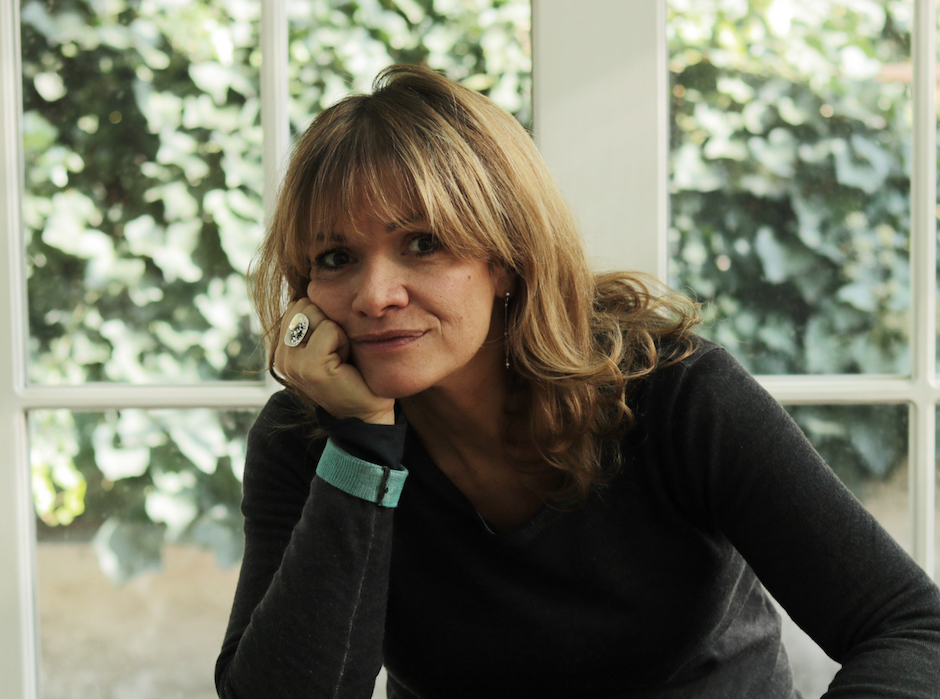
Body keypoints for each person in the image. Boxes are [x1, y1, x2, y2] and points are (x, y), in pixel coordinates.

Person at [215, 64, 940, 699]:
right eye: (336, 258)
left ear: (504, 258)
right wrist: (361, 447)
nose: (375, 295)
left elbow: (911, 628)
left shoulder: (676, 395)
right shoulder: (310, 440)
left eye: (423, 244)